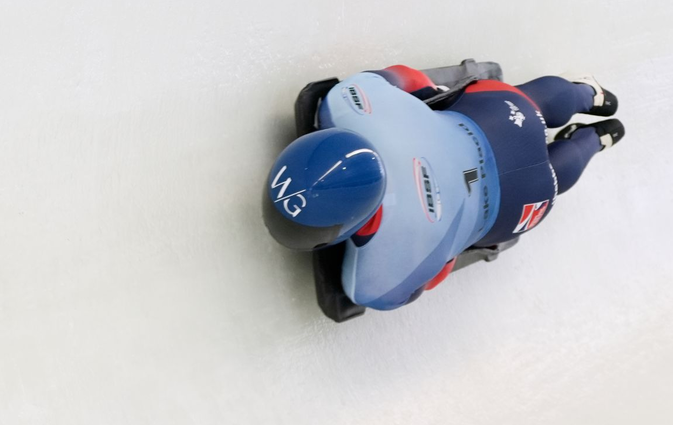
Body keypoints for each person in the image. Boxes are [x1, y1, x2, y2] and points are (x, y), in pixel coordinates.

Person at [262, 64, 624, 311]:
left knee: (551, 179)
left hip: (517, 203)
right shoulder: (347, 101)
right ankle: (586, 96)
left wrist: (447, 244)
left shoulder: (373, 282)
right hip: (499, 116)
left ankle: (595, 141)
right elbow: (409, 78)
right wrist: (433, 97)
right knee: (527, 100)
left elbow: (429, 279)